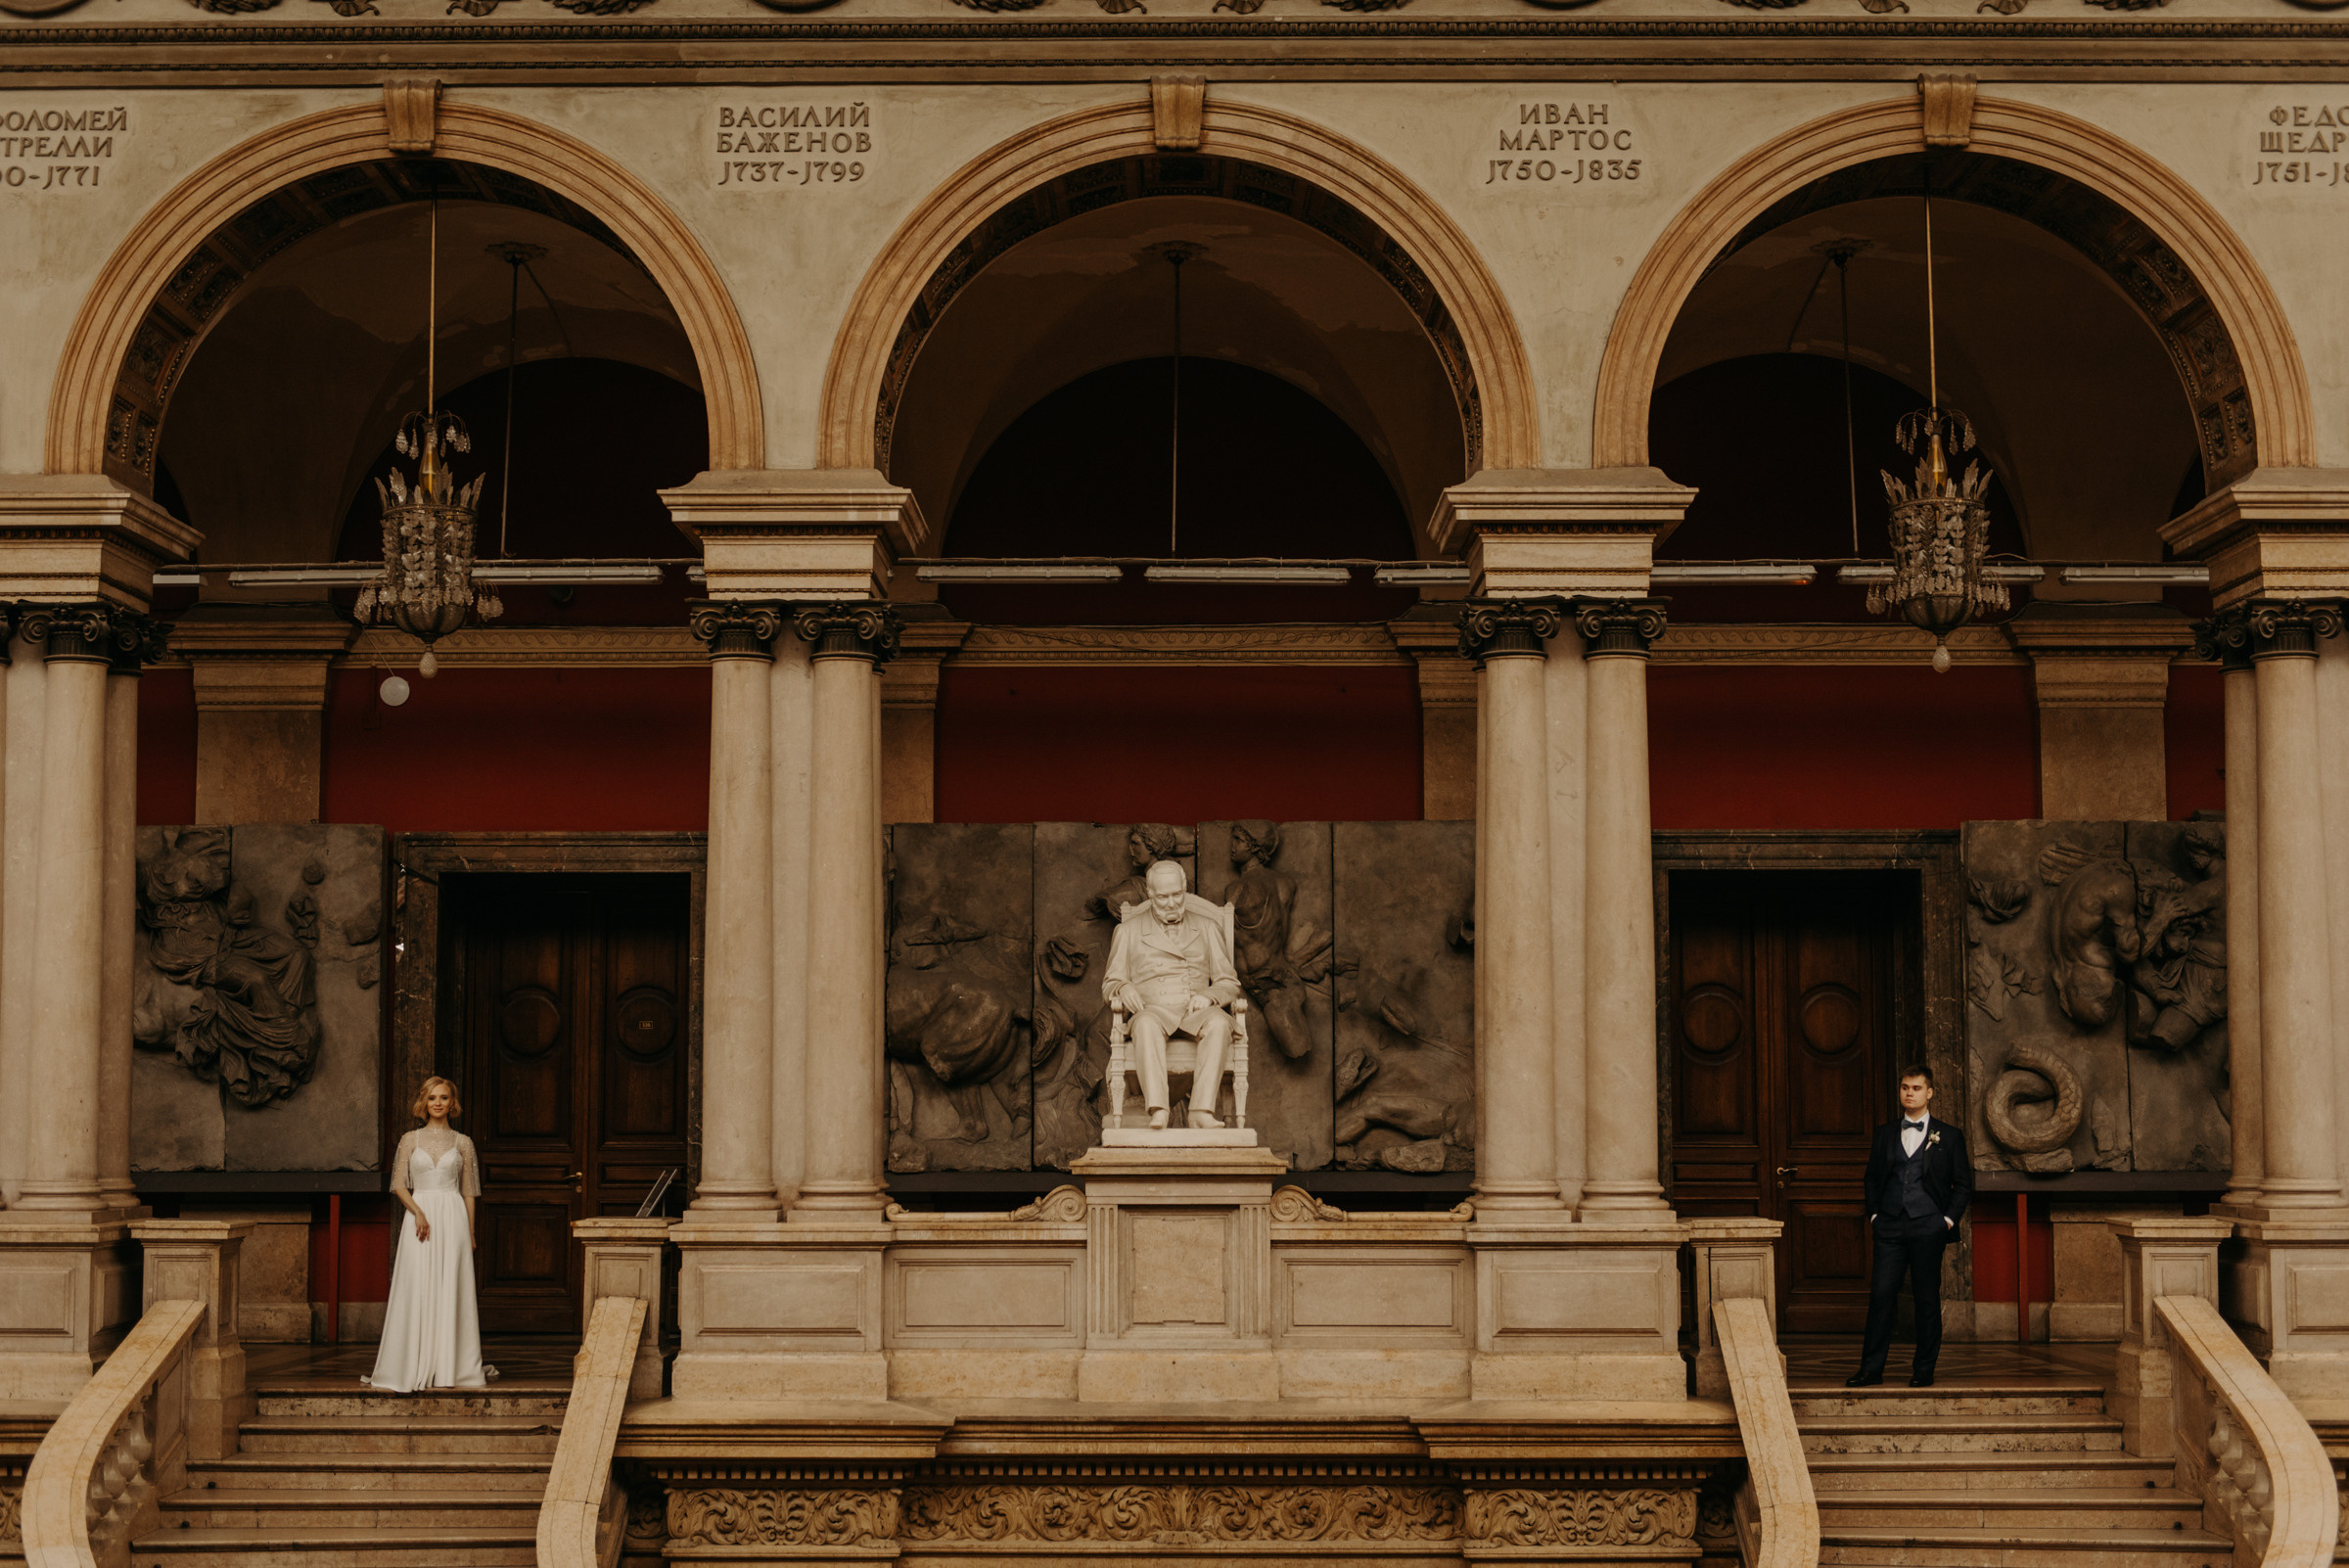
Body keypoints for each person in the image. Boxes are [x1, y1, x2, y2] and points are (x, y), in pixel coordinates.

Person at [365, 1076, 490, 1392]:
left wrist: (471, 1232)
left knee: (451, 1287)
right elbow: (397, 1184)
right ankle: (411, 1361)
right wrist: (418, 1211)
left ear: (452, 1103)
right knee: (417, 1285)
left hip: (454, 1220)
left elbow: (469, 1192)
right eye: (433, 1098)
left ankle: (451, 1365)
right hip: (419, 1219)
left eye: (444, 1098)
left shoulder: (463, 1143)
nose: (438, 1103)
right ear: (424, 1102)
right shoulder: (410, 1140)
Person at [1850, 1065, 1971, 1389]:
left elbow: (1963, 1184)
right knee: (1881, 1296)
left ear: (1929, 1093)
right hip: (1889, 1225)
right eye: (1905, 1087)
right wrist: (1875, 1215)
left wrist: (1945, 1220)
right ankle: (1871, 1369)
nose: (1909, 1093)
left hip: (1928, 1226)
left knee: (1926, 1298)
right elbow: (1873, 1178)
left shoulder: (1950, 1136)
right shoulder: (1884, 1133)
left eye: (1916, 1088)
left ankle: (1923, 1370)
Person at [1102, 859, 1243, 1130]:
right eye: (1163, 897)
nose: (1171, 903)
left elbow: (1229, 981)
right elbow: (1110, 983)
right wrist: (1123, 987)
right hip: (1153, 1011)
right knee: (1143, 1024)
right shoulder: (1128, 931)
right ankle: (1158, 1110)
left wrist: (1211, 996)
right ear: (1151, 895)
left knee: (1220, 1022)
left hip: (1197, 1011)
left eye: (1177, 895)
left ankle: (1201, 1111)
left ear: (1185, 890)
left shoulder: (1208, 927)